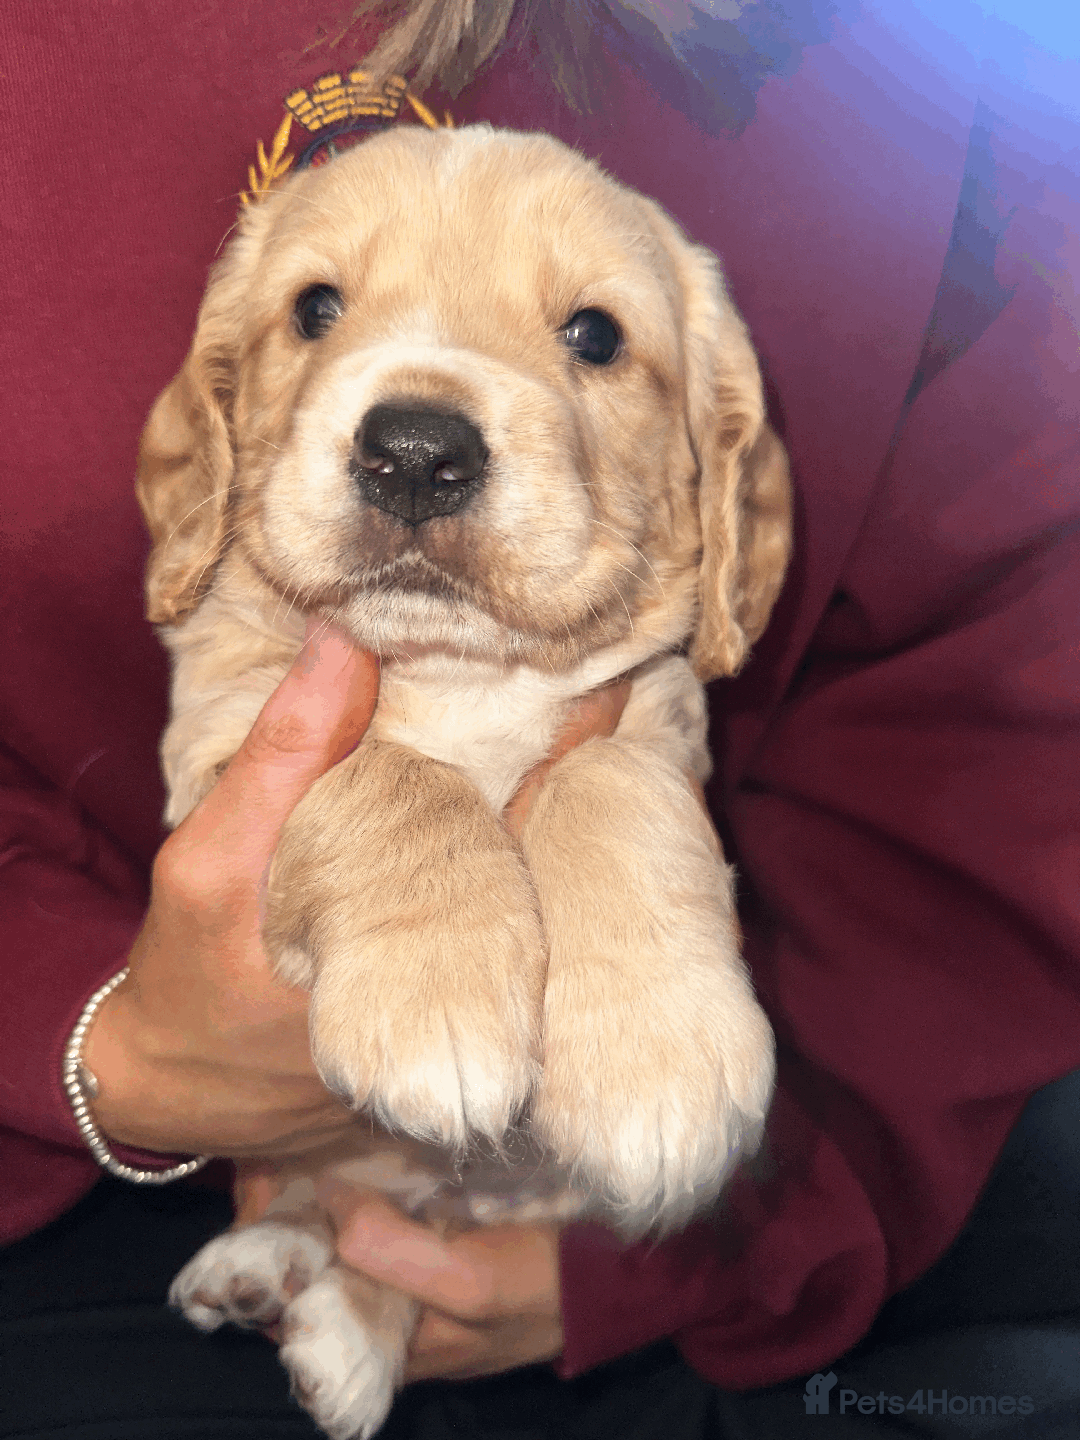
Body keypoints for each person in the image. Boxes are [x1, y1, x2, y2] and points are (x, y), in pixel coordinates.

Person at [1, 1, 1078, 1436]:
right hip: (58, 1193)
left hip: (742, 1176)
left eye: (589, 334)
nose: (419, 444)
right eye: (318, 310)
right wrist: (95, 1042)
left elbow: (992, 704)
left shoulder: (946, 77)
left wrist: (721, 1225)